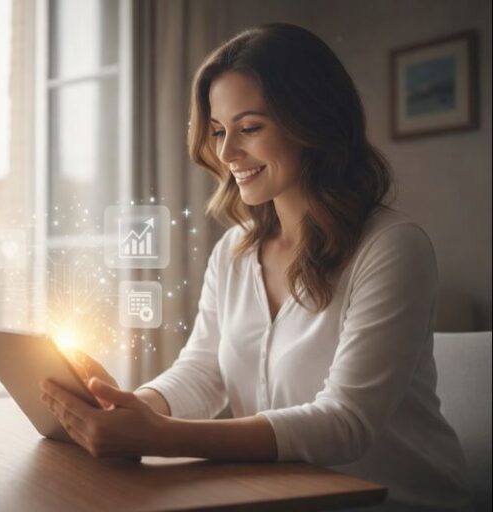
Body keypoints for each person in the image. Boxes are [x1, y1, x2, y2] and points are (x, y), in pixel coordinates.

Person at [39, 23, 471, 511]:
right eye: (220, 131)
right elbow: (203, 372)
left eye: (249, 128)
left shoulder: (392, 248)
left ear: (314, 123)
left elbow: (345, 423)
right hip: (283, 499)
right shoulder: (234, 252)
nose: (226, 153)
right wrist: (136, 408)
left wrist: (161, 436)